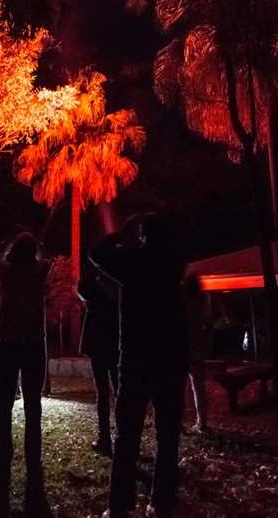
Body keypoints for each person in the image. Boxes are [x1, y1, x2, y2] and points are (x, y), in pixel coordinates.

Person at [91, 213, 189, 518]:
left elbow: (97, 255)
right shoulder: (174, 262)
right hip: (171, 357)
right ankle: (161, 503)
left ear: (142, 236)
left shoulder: (132, 261)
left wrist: (121, 234)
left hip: (135, 358)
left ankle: (120, 505)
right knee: (168, 433)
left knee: (127, 434)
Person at [0, 232, 52, 516]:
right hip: (34, 344)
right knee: (33, 407)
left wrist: (9, 247)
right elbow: (46, 261)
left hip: (9, 345)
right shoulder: (40, 272)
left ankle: (3, 458)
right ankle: (33, 460)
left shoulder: (5, 272)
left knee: (3, 407)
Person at [78, 268, 120, 456]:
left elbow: (81, 288)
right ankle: (122, 436)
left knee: (103, 392)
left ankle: (105, 438)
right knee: (120, 391)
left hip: (99, 344)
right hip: (116, 343)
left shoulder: (94, 288)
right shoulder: (119, 287)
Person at [183, 273, 210, 433]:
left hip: (184, 348)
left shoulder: (184, 302)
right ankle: (202, 421)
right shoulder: (202, 301)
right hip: (197, 348)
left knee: (181, 387)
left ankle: (178, 420)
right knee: (198, 386)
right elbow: (205, 324)